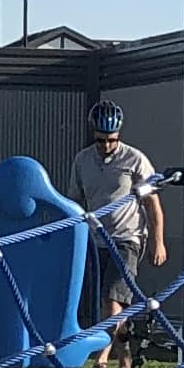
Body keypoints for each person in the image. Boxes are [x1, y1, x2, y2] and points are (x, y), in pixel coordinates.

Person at [66, 102, 163, 333]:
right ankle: (124, 357)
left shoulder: (135, 159)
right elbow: (74, 202)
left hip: (127, 239)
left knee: (112, 296)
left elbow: (152, 204)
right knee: (105, 300)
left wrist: (157, 242)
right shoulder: (82, 160)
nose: (106, 145)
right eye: (101, 140)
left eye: (112, 140)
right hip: (95, 238)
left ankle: (101, 357)